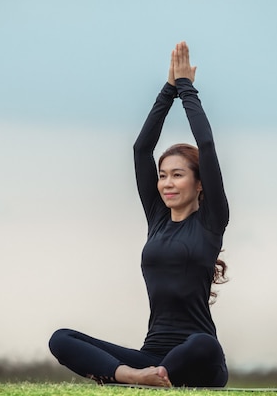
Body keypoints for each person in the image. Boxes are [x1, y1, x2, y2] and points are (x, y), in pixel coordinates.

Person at [48, 41, 230, 388]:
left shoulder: (211, 223)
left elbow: (206, 146)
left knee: (203, 344)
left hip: (198, 359)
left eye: (178, 174)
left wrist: (185, 88)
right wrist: (167, 89)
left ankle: (152, 377)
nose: (167, 183)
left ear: (200, 183)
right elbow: (140, 148)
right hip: (151, 356)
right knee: (61, 337)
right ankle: (134, 377)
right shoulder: (157, 219)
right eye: (163, 175)